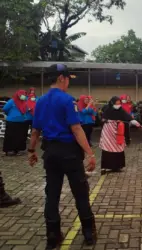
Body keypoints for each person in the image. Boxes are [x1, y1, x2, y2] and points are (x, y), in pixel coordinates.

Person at [27, 64, 97, 249]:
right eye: (67, 79)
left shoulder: (40, 101)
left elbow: (35, 131)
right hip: (70, 154)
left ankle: (52, 236)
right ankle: (89, 232)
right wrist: (90, 153)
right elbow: (76, 128)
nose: (68, 83)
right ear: (61, 78)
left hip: (50, 154)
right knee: (80, 192)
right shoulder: (67, 100)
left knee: (52, 195)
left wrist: (31, 151)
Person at [99, 96, 140, 174]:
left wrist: (133, 120)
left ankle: (117, 167)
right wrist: (108, 121)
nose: (118, 105)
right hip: (109, 132)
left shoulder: (121, 110)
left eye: (119, 103)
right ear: (112, 103)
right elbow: (103, 119)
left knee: (118, 147)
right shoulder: (107, 110)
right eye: (116, 103)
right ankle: (105, 167)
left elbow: (127, 116)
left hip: (118, 132)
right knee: (107, 148)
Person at [2, 90, 29, 156]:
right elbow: (5, 108)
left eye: (24, 94)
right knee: (11, 136)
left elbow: (28, 109)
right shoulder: (12, 101)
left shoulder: (25, 101)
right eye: (21, 94)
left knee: (21, 136)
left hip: (22, 122)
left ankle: (19, 150)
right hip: (13, 121)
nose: (23, 96)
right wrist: (9, 114)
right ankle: (10, 150)